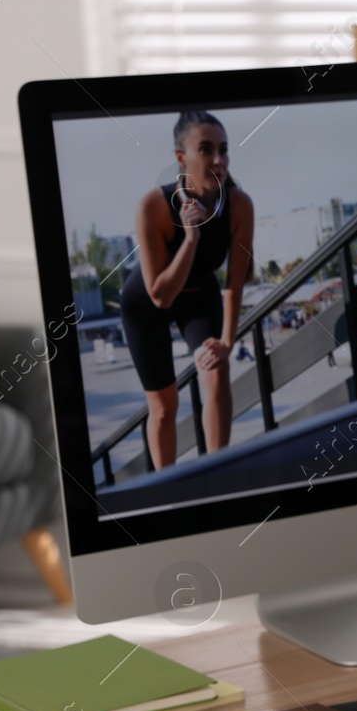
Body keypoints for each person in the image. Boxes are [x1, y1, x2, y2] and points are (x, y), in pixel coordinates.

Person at [120, 111, 254, 470]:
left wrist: (226, 344)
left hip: (199, 295)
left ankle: (217, 472)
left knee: (216, 368)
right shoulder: (154, 206)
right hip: (146, 303)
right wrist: (191, 238)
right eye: (206, 149)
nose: (218, 160)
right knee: (164, 408)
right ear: (181, 157)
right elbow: (160, 295)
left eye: (224, 150)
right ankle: (166, 491)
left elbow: (235, 283)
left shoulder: (239, 206)